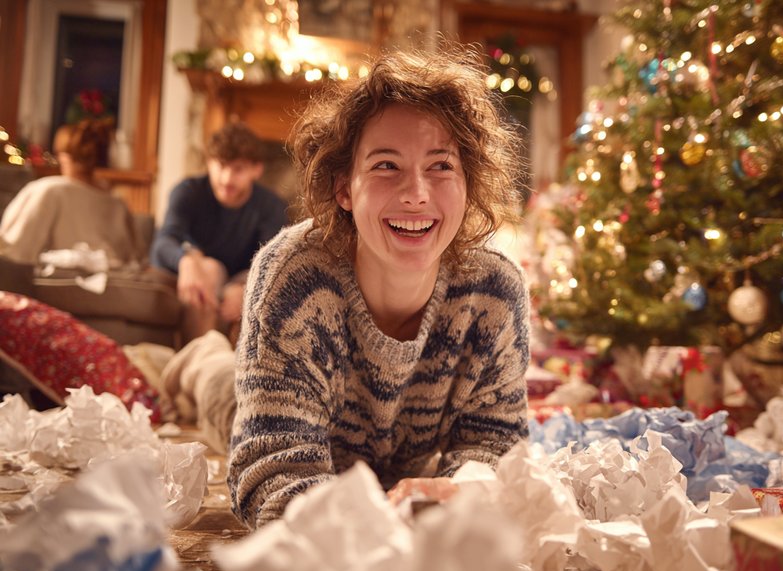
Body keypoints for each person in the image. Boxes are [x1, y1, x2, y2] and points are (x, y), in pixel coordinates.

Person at [163, 45, 530, 529]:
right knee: (218, 387)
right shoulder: (293, 277)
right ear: (343, 188)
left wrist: (460, 493)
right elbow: (271, 474)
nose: (417, 193)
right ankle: (199, 357)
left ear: (469, 181)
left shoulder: (495, 294)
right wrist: (374, 529)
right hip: (269, 408)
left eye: (441, 166)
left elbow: (495, 447)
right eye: (385, 166)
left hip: (392, 465)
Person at [150, 122, 289, 343]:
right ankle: (202, 365)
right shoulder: (188, 191)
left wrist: (245, 288)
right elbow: (163, 241)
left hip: (242, 276)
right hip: (201, 271)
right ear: (209, 162)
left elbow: (274, 260)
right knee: (209, 269)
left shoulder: (271, 206)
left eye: (238, 169)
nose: (226, 179)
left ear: (257, 169)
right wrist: (186, 261)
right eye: (221, 166)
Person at [0, 119, 145, 266]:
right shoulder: (117, 203)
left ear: (64, 156)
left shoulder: (49, 190)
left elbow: (14, 252)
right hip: (118, 286)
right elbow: (138, 258)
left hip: (57, 285)